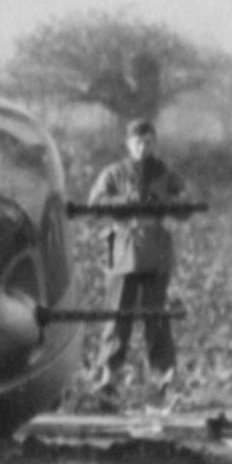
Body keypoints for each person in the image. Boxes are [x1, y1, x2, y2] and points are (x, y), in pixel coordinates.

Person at [84, 115, 186, 398]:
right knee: (118, 314)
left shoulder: (166, 173)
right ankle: (109, 376)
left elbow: (187, 203)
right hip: (124, 247)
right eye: (138, 142)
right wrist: (124, 202)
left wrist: (168, 203)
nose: (144, 147)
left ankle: (165, 376)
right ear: (129, 144)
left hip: (156, 249)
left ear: (155, 144)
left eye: (149, 142)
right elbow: (95, 204)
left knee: (157, 315)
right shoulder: (114, 173)